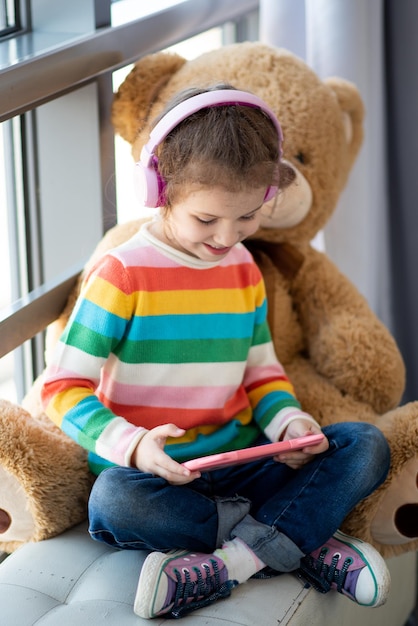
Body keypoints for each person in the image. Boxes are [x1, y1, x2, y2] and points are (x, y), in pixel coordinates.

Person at [41, 84, 391, 620]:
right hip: (157, 480)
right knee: (112, 501)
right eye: (207, 220)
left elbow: (261, 374)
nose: (228, 236)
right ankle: (298, 539)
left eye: (247, 216)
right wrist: (133, 447)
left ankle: (229, 564)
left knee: (366, 444)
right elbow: (61, 388)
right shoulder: (123, 274)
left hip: (246, 463)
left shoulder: (243, 269)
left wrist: (289, 426)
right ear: (160, 190)